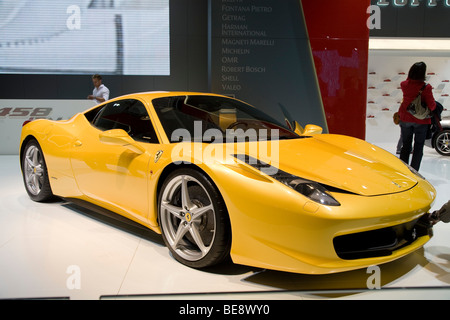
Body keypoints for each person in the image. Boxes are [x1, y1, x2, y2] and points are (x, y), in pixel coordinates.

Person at [397, 62, 436, 171]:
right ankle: (414, 171)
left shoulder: (403, 84)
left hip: (405, 118)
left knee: (405, 146)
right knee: (418, 147)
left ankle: (403, 171)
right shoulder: (426, 87)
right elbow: (432, 105)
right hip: (421, 121)